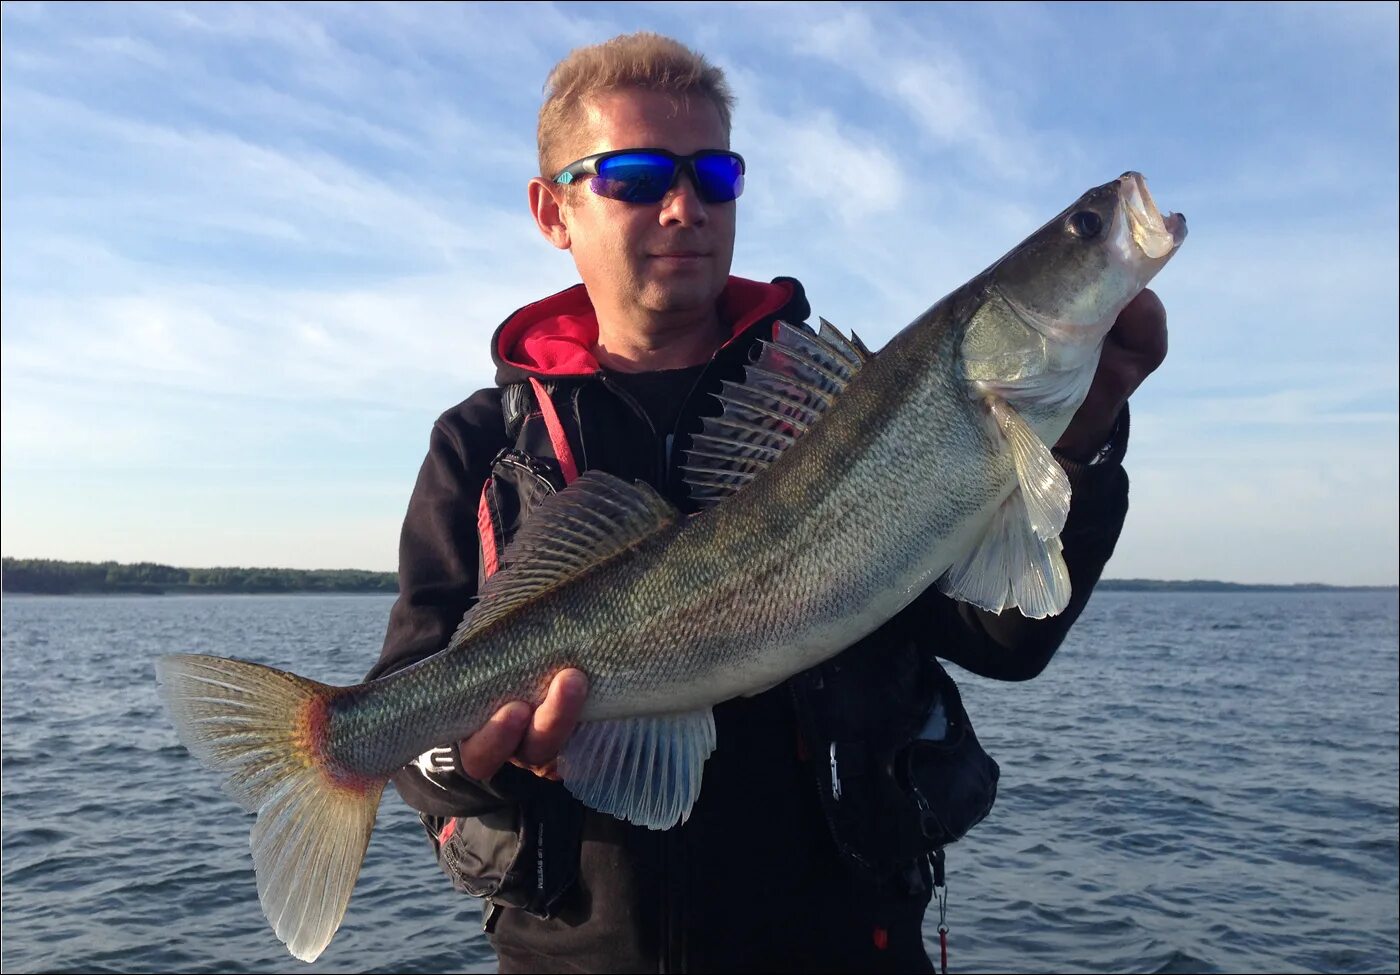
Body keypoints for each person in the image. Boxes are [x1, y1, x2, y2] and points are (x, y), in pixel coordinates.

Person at [366, 31, 1166, 974]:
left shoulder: (841, 405)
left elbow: (1008, 637)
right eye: (631, 175)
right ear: (554, 210)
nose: (684, 207)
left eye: (714, 174)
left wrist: (1085, 428)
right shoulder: (482, 446)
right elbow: (409, 713)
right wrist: (470, 762)